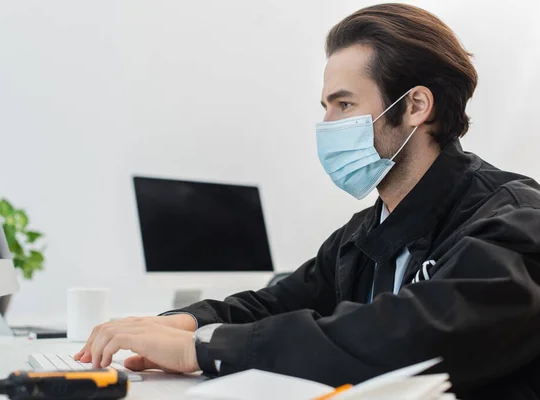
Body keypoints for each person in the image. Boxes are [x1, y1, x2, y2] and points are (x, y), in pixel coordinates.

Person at [75, 4, 540, 399]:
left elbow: (420, 331)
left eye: (343, 105)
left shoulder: (514, 215)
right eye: (325, 106)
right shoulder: (363, 235)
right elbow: (272, 304)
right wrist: (185, 322)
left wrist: (204, 350)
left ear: (416, 106)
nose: (327, 124)